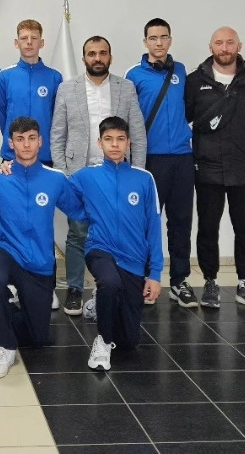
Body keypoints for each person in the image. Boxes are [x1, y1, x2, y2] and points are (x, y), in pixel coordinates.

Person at [0, 117, 87, 379]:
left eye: (32, 138)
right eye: (20, 139)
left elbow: (80, 210)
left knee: (38, 339)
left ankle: (5, 308)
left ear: (40, 141)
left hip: (39, 262)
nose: (26, 144)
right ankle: (4, 346)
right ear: (10, 143)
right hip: (6, 250)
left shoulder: (55, 179)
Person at [51, 35, 147, 316]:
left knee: (117, 231)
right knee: (78, 232)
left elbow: (138, 133)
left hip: (117, 173)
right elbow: (57, 135)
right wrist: (64, 174)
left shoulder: (125, 88)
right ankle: (75, 288)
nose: (97, 58)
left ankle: (114, 286)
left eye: (102, 53)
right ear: (83, 58)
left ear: (110, 57)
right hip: (79, 174)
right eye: (91, 53)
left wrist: (137, 173)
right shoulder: (67, 89)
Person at [184, 26, 245, 311]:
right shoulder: (194, 81)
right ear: (210, 47)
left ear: (239, 46)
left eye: (229, 43)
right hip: (207, 167)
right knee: (207, 228)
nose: (224, 48)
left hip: (244, 167)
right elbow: (181, 119)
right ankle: (210, 282)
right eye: (219, 43)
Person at [71, 117, 162, 371]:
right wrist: (10, 169)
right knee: (110, 282)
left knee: (129, 341)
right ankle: (102, 342)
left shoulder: (144, 179)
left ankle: (100, 301)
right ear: (99, 143)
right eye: (108, 139)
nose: (115, 144)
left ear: (128, 143)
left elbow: (154, 227)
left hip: (133, 260)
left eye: (120, 139)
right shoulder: (87, 176)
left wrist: (155, 274)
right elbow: (57, 191)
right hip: (100, 249)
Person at [125, 18, 198, 309]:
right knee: (146, 222)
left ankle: (180, 280)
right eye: (153, 38)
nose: (158, 42)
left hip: (182, 157)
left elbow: (188, 110)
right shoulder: (134, 75)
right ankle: (145, 278)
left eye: (163, 37)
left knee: (181, 221)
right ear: (145, 41)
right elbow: (128, 118)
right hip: (150, 159)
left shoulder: (181, 71)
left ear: (170, 39)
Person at [0, 19, 62, 166]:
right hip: (12, 155)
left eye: (34, 38)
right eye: (24, 38)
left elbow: (57, 118)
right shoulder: (4, 76)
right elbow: (2, 115)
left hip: (44, 155)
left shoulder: (55, 77)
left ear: (41, 43)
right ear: (16, 43)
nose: (29, 42)